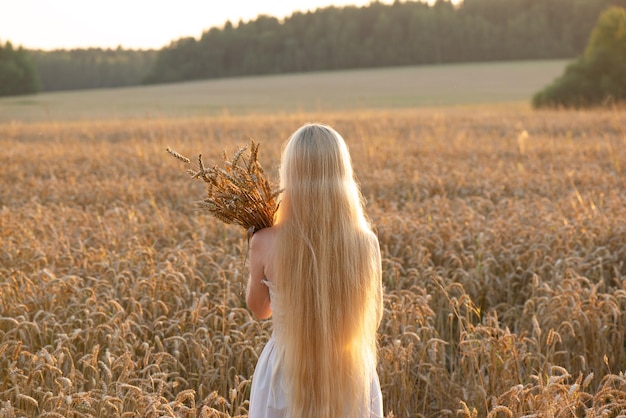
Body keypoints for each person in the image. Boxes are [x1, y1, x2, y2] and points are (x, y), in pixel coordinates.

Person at [246, 122, 384, 418]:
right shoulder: (366, 243)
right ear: (342, 174)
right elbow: (366, 315)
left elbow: (260, 310)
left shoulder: (265, 241)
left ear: (290, 174)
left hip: (283, 374)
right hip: (349, 375)